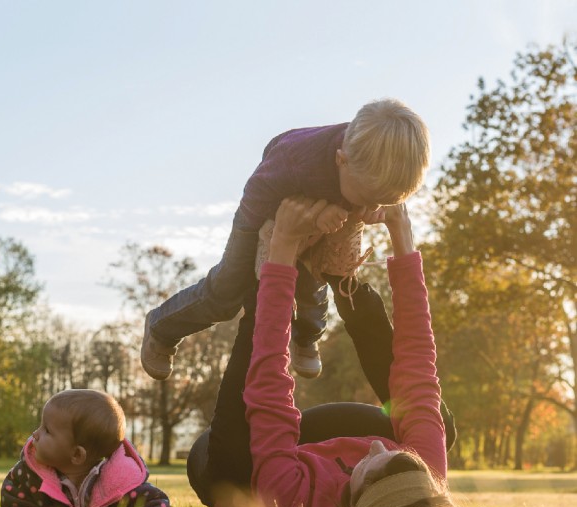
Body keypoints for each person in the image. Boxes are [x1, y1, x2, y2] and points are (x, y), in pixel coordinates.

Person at [187, 197, 461, 507]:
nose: (376, 445)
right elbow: (418, 368)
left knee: (230, 475)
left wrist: (283, 250)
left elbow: (269, 383)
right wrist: (402, 234)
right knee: (438, 426)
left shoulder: (290, 501)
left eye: (377, 462)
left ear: (362, 501)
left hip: (243, 453)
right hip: (316, 446)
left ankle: (261, 283)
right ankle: (342, 277)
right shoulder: (422, 480)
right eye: (395, 454)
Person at [142, 99, 431, 380]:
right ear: (341, 160)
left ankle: (306, 336)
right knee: (227, 292)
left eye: (383, 202)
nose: (373, 208)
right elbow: (256, 193)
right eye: (370, 199)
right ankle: (161, 327)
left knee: (318, 275)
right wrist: (274, 232)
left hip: (327, 214)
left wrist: (366, 209)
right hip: (264, 215)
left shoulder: (370, 163)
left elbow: (367, 200)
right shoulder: (297, 160)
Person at [0, 389, 171, 507]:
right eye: (40, 426)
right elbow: (13, 501)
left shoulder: (120, 483)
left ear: (76, 454)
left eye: (47, 430)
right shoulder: (28, 474)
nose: (35, 434)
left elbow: (156, 503)